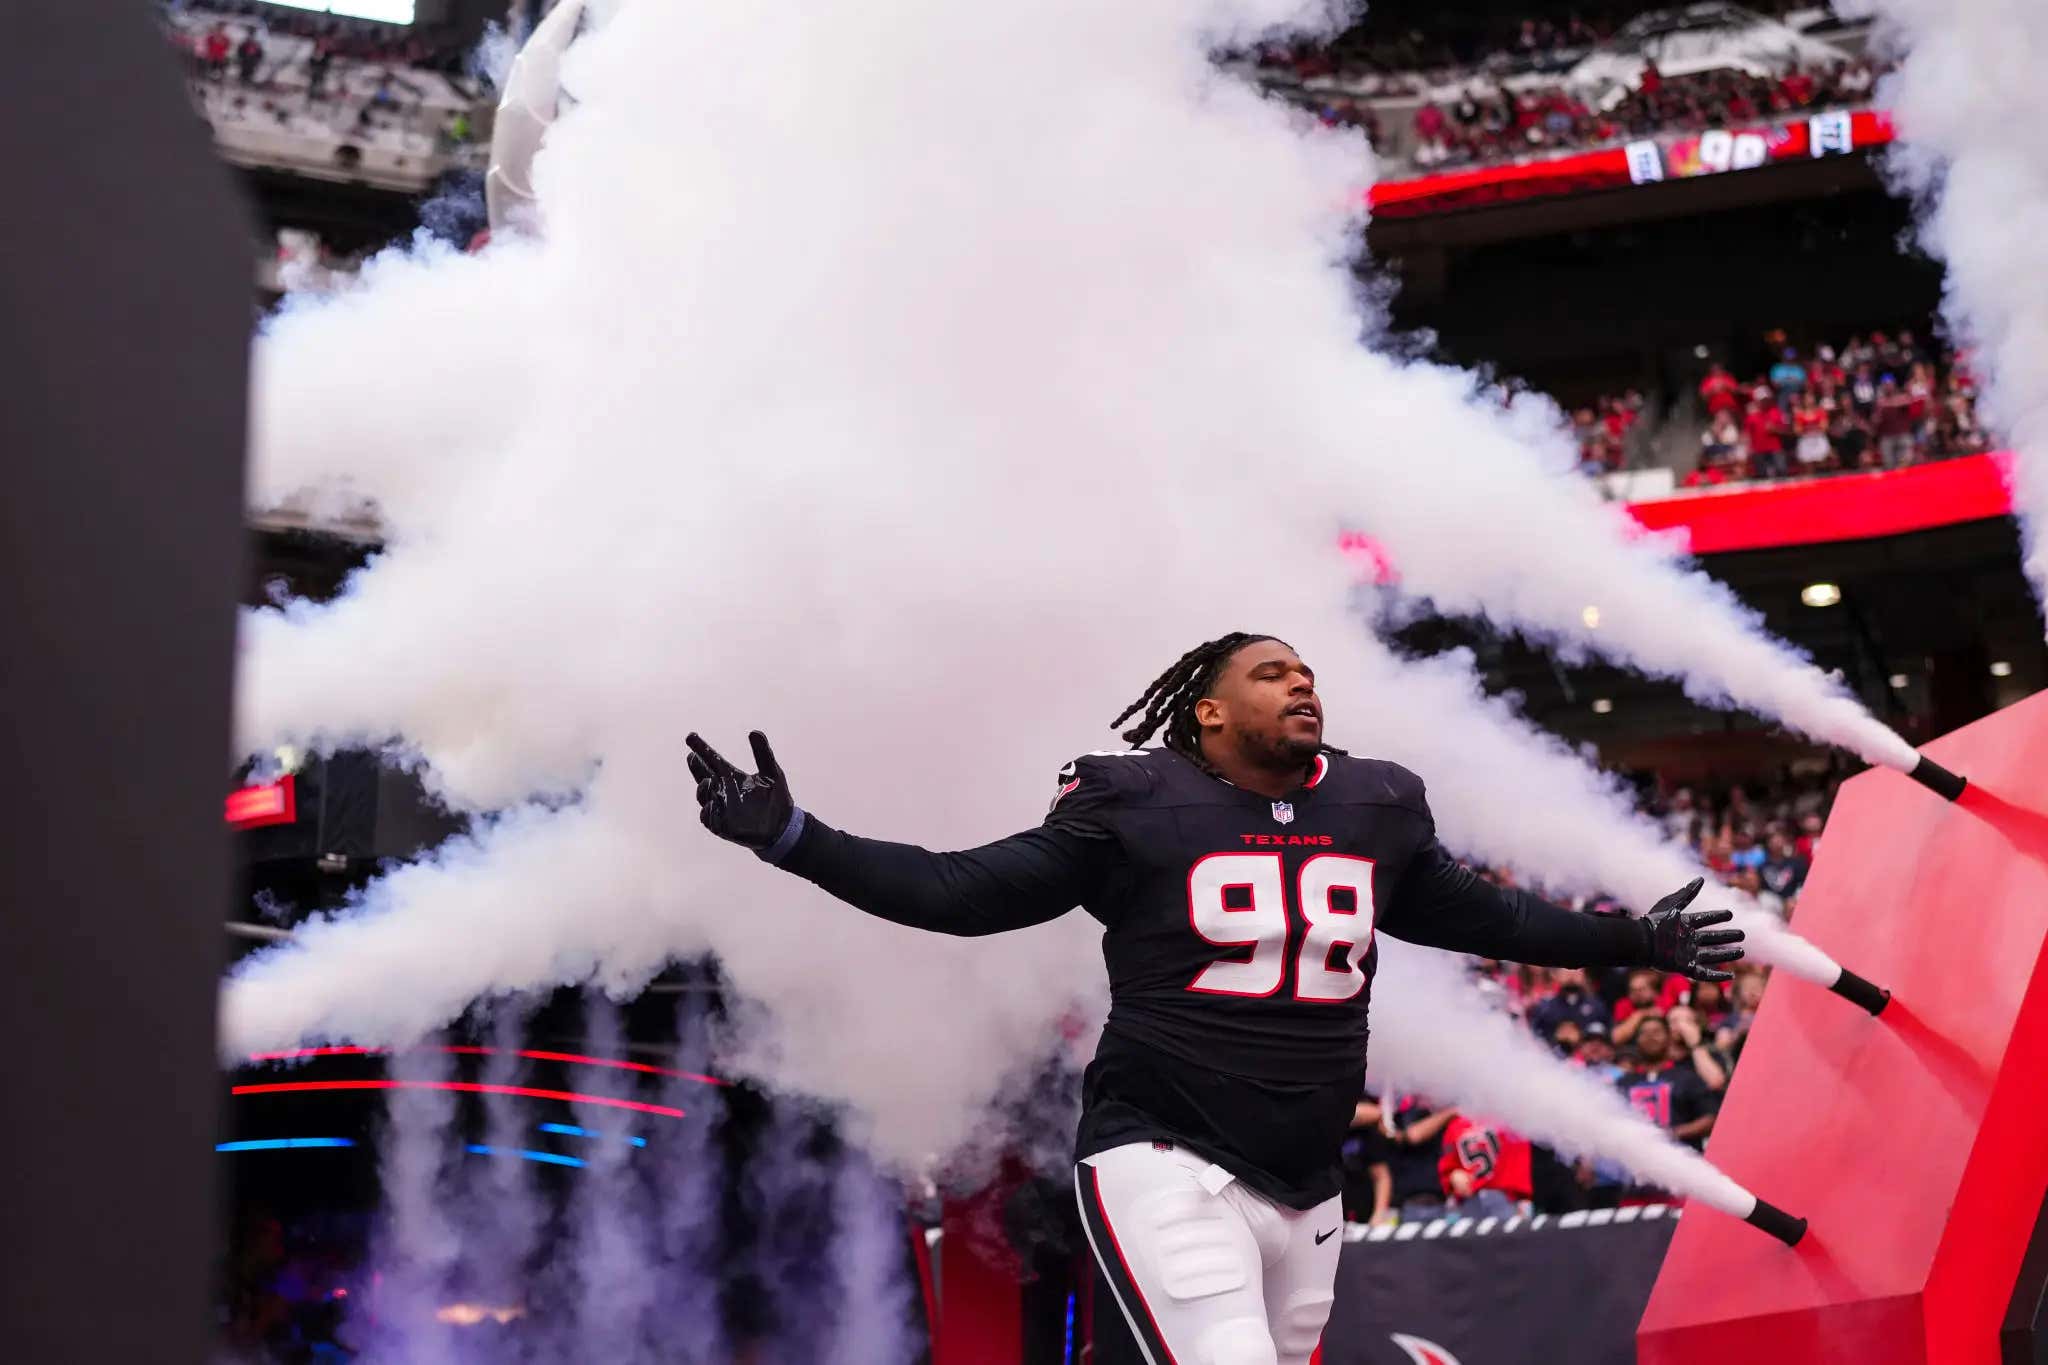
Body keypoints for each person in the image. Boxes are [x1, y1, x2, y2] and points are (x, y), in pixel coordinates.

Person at [688, 632, 1742, 1365]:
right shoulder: (1130, 800)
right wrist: (794, 840)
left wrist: (1633, 939)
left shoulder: (1372, 803)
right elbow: (962, 893)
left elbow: (1491, 919)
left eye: (1307, 672)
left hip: (1307, 1176)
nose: (1301, 685)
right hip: (1165, 1152)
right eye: (1270, 672)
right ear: (1206, 711)